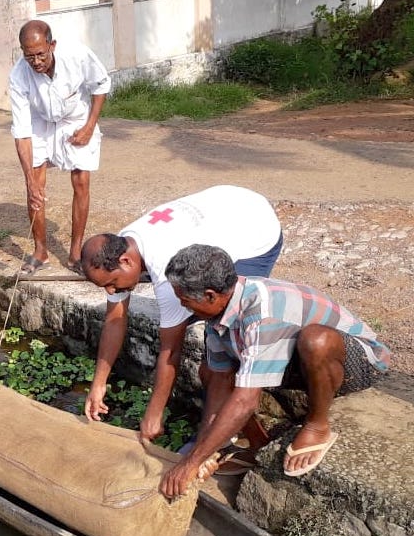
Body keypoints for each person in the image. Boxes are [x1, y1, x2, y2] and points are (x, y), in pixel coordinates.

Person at [158, 244, 390, 498]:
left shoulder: (262, 315)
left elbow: (246, 401)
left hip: (354, 362)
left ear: (211, 295)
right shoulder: (220, 313)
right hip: (297, 360)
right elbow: (219, 383)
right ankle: (258, 446)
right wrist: (200, 453)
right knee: (209, 372)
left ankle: (317, 425)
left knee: (316, 340)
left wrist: (190, 463)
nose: (184, 307)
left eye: (186, 301)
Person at [80, 185, 284, 448]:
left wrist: (154, 414)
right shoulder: (120, 245)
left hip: (255, 228)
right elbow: (115, 318)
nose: (111, 291)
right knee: (194, 319)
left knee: (220, 335)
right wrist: (98, 384)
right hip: (227, 204)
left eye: (112, 283)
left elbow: (171, 349)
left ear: (126, 262)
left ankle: (222, 435)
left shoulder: (166, 275)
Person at [9, 19, 111, 275]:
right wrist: (30, 181)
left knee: (81, 180)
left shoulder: (76, 55)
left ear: (51, 45)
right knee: (35, 184)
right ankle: (40, 251)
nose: (36, 62)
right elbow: (22, 133)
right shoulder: (18, 75)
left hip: (75, 116)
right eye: (29, 56)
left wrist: (89, 126)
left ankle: (75, 253)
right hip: (39, 120)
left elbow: (100, 85)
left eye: (41, 54)